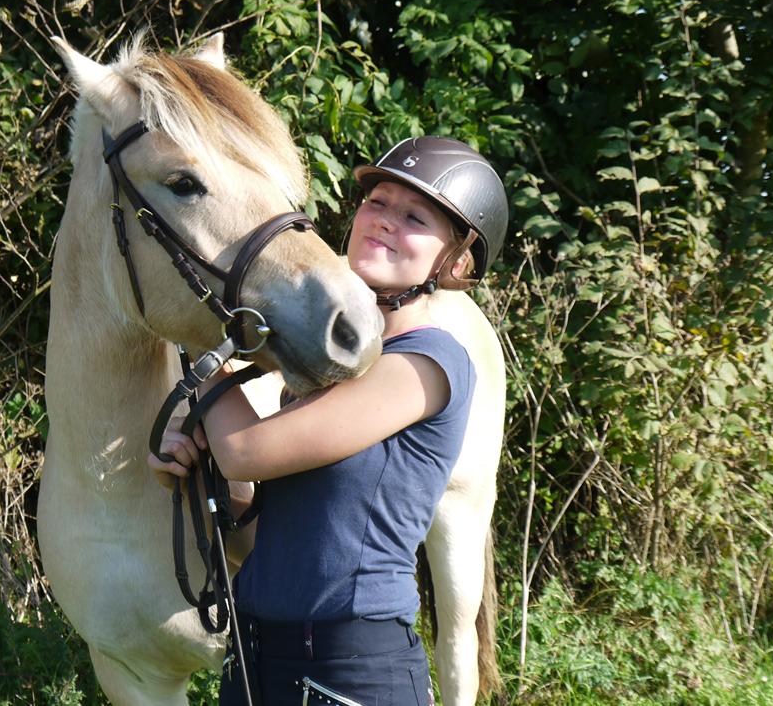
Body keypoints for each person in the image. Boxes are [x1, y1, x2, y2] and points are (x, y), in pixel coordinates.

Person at [149, 136, 509, 705]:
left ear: (457, 260)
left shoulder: (426, 364)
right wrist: (200, 475)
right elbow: (272, 535)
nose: (385, 220)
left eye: (414, 216)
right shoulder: (321, 370)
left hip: (349, 673)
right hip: (258, 660)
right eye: (378, 202)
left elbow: (244, 449)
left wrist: (201, 347)